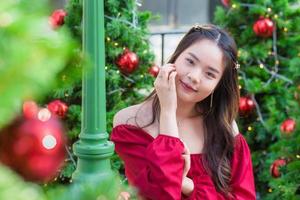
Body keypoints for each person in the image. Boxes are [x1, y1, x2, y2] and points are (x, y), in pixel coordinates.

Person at [110, 24, 256, 200]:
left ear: (218, 85)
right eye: (190, 61)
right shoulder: (131, 123)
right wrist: (168, 112)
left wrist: (188, 185)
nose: (194, 76)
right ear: (176, 57)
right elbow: (163, 195)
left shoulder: (223, 128)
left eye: (210, 74)